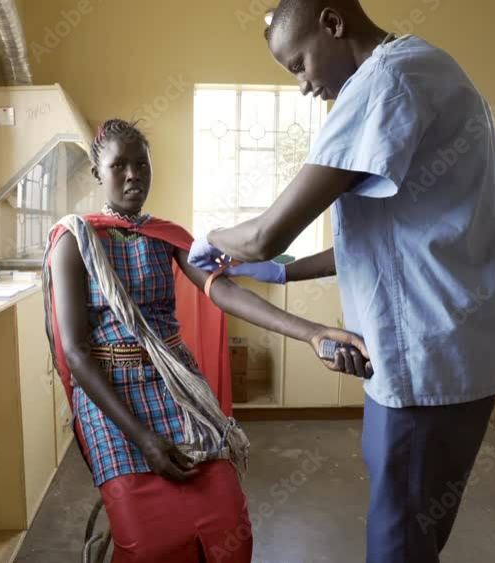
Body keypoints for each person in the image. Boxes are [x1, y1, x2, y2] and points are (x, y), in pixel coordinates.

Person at [189, 1, 495, 562]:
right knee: (413, 523)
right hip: (456, 350)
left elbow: (268, 232)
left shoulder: (386, 79)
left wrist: (212, 238)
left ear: (333, 23)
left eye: (298, 64)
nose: (302, 84)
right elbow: (386, 238)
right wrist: (284, 273)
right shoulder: (427, 68)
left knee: (399, 536)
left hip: (426, 359)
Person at [44, 119, 363, 563]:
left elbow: (224, 291)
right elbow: (76, 353)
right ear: (98, 172)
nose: (133, 174)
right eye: (119, 165)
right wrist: (142, 438)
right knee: (149, 542)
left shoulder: (166, 236)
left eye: (142, 163)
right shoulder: (74, 239)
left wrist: (312, 333)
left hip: (175, 384)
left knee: (229, 527)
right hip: (107, 391)